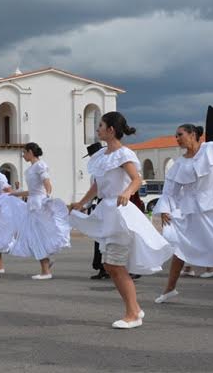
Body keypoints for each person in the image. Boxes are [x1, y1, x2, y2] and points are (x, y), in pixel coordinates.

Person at [69, 111, 174, 329]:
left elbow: (137, 179)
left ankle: (133, 313)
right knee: (110, 264)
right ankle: (134, 308)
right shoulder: (102, 156)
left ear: (111, 130)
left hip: (119, 212)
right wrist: (82, 203)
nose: (97, 129)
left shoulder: (124, 154)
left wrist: (126, 192)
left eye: (100, 125)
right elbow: (97, 185)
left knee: (114, 264)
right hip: (106, 210)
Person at [153, 124, 213, 310]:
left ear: (193, 134)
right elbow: (170, 190)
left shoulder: (212, 148)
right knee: (179, 249)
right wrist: (165, 209)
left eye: (180, 135)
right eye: (175, 135)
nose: (177, 139)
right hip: (189, 210)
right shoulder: (179, 164)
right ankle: (169, 289)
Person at [7, 142, 71, 279]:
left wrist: (47, 197)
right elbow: (32, 190)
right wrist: (15, 194)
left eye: (24, 152)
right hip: (33, 202)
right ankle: (46, 263)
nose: (23, 155)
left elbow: (47, 184)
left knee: (37, 236)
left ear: (30, 152)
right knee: (36, 235)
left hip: (38, 204)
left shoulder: (40, 165)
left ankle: (46, 271)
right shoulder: (31, 168)